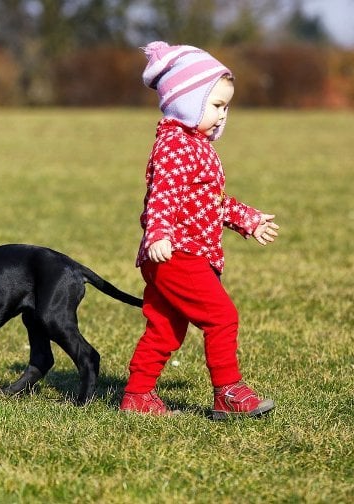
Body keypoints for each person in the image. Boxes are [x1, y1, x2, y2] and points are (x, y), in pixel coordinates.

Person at [119, 41, 280, 418]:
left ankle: (137, 396)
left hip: (183, 253)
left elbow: (211, 200)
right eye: (216, 105)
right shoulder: (176, 146)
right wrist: (159, 234)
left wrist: (248, 219)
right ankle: (228, 391)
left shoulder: (196, 145)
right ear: (187, 102)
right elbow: (163, 194)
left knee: (165, 328)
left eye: (227, 107)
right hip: (177, 254)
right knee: (222, 317)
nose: (223, 115)